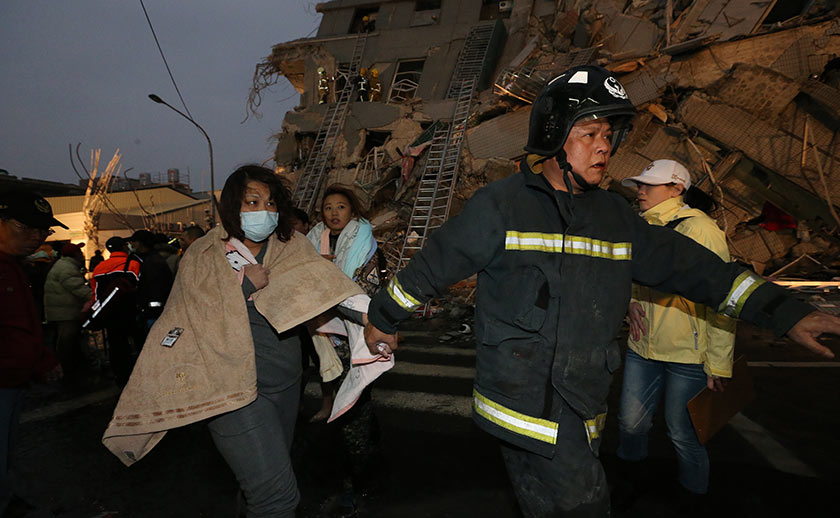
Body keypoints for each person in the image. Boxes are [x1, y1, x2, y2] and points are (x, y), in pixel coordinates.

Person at [362, 65, 840, 517]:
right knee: (584, 506)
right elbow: (434, 266)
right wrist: (383, 318)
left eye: (608, 137)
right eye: (590, 134)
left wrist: (786, 313)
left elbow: (700, 271)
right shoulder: (502, 206)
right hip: (528, 404)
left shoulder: (615, 218)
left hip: (582, 402)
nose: (604, 148)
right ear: (552, 137)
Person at [103, 165, 370, 518]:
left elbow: (330, 289)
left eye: (272, 202)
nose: (265, 211)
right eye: (253, 201)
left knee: (258, 485)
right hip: (229, 388)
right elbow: (190, 314)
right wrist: (243, 286)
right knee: (277, 498)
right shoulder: (203, 255)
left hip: (286, 384)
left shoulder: (292, 248)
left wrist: (373, 318)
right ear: (232, 206)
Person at [614, 159, 735, 506]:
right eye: (639, 184)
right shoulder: (642, 228)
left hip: (688, 356)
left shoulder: (702, 232)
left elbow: (724, 299)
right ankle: (629, 484)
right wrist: (630, 300)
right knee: (630, 424)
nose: (640, 191)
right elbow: (634, 275)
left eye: (648, 185)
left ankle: (693, 496)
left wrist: (719, 364)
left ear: (677, 189)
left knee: (683, 434)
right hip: (643, 347)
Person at [306, 184, 382, 514]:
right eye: (328, 207)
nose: (334, 213)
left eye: (341, 207)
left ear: (352, 212)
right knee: (345, 405)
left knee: (354, 407)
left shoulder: (365, 243)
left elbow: (370, 288)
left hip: (356, 334)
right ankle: (352, 472)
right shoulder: (310, 242)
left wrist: (329, 278)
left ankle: (358, 481)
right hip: (325, 335)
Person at [0, 190, 64, 516]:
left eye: (44, 231)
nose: (37, 237)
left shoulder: (13, 267)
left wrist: (41, 359)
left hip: (14, 380)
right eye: (28, 228)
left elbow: (21, 326)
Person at [90, 237, 141, 387]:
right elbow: (140, 287)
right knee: (138, 342)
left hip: (110, 313)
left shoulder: (99, 267)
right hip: (130, 310)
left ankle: (121, 376)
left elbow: (95, 293)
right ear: (124, 246)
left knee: (117, 345)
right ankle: (139, 373)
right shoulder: (132, 264)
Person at [44, 242, 91, 389]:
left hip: (62, 310)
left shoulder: (63, 265)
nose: (82, 255)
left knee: (68, 342)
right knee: (66, 343)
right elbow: (77, 288)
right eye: (80, 252)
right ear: (75, 255)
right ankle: (67, 375)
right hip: (65, 312)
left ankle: (71, 371)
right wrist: (93, 297)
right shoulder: (67, 268)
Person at [128, 230, 174, 335]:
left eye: (134, 241)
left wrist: (149, 312)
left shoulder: (152, 262)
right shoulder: (151, 259)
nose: (132, 245)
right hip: (154, 311)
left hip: (154, 313)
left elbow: (155, 289)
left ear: (140, 243)